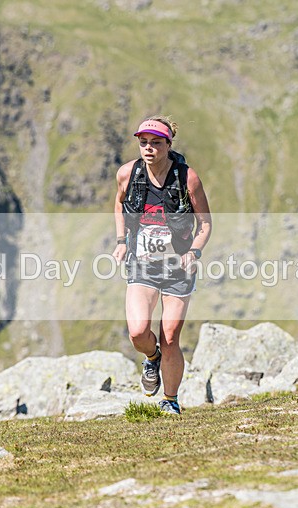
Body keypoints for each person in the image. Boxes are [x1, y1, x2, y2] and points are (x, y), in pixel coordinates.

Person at [112, 116, 212, 415]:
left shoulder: (187, 178)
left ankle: (170, 401)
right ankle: (151, 358)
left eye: (156, 143)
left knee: (170, 336)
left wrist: (194, 251)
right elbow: (119, 204)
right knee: (138, 332)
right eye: (143, 142)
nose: (149, 148)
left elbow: (205, 223)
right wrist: (120, 239)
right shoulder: (128, 174)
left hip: (179, 269)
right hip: (142, 264)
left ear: (168, 145)